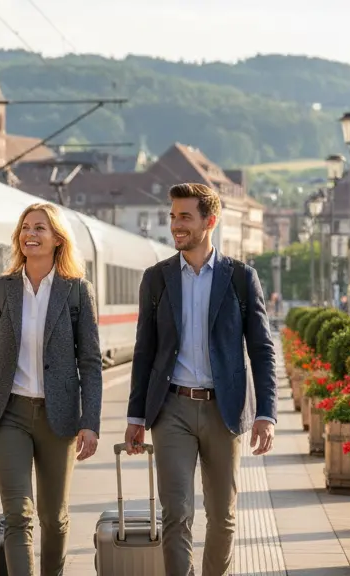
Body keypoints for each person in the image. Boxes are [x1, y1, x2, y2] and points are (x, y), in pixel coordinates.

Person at [124, 183, 277, 576]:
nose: (176, 225)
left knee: (222, 515)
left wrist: (267, 414)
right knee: (176, 513)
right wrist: (136, 417)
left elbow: (261, 349)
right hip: (170, 407)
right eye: (173, 216)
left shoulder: (241, 278)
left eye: (185, 217)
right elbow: (145, 351)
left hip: (222, 410)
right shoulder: (156, 279)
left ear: (210, 222)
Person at [0, 202, 103, 576]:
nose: (30, 234)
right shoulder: (0, 290)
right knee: (17, 515)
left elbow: (89, 361)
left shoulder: (76, 292)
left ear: (58, 239)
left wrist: (91, 421)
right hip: (8, 413)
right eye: (25, 227)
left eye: (40, 228)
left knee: (53, 517)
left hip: (60, 417)